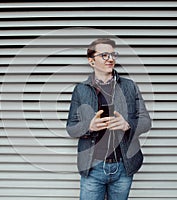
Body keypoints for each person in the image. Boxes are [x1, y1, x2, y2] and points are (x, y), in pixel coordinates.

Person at [66, 38, 151, 200]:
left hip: (123, 166)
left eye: (113, 54)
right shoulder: (80, 90)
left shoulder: (130, 86)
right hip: (92, 167)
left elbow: (146, 121)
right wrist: (88, 126)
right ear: (91, 61)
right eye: (104, 55)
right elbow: (71, 128)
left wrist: (128, 125)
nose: (110, 59)